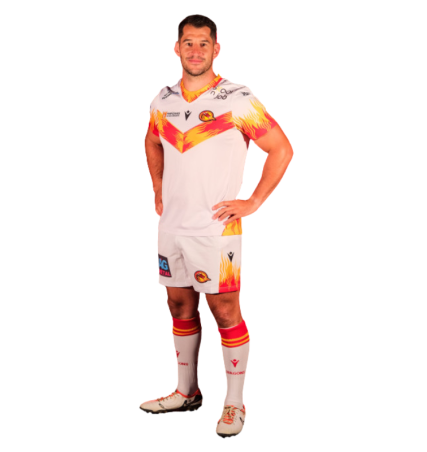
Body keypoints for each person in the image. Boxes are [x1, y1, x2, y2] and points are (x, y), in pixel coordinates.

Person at [140, 14, 293, 438]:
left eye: (203, 44)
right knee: (178, 307)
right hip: (172, 227)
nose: (195, 51)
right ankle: (186, 392)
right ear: (177, 48)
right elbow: (151, 140)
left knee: (225, 310)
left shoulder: (237, 99)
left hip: (217, 231)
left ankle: (234, 403)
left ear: (216, 49)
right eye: (188, 43)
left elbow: (281, 148)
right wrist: (157, 187)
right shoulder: (162, 100)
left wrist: (253, 201)